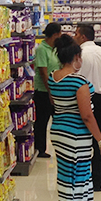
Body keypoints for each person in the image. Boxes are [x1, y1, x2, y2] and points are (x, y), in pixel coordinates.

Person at [47, 34, 101, 201]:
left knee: (75, 182)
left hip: (59, 133)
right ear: (75, 57)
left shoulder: (53, 77)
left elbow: (58, 105)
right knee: (76, 185)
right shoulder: (78, 81)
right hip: (76, 138)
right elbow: (86, 116)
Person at [74, 23, 101, 192]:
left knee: (80, 139)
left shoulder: (78, 54)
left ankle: (81, 181)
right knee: (100, 138)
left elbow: (74, 77)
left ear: (83, 37)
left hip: (82, 99)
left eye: (76, 34)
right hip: (100, 98)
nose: (74, 37)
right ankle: (97, 182)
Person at [33, 22, 63, 158]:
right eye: (60, 33)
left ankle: (61, 146)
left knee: (58, 120)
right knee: (42, 121)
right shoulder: (41, 49)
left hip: (56, 90)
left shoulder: (55, 48)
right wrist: (50, 92)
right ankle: (40, 149)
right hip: (43, 92)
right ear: (55, 34)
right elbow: (44, 73)